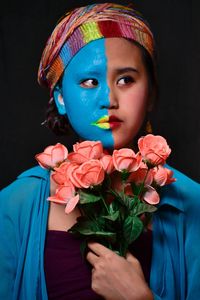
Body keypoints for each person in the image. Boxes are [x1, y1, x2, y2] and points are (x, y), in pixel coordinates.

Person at [0, 3, 200, 300]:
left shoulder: (191, 203)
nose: (108, 98)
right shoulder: (15, 205)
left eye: (126, 80)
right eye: (89, 82)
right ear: (61, 97)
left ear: (151, 95)